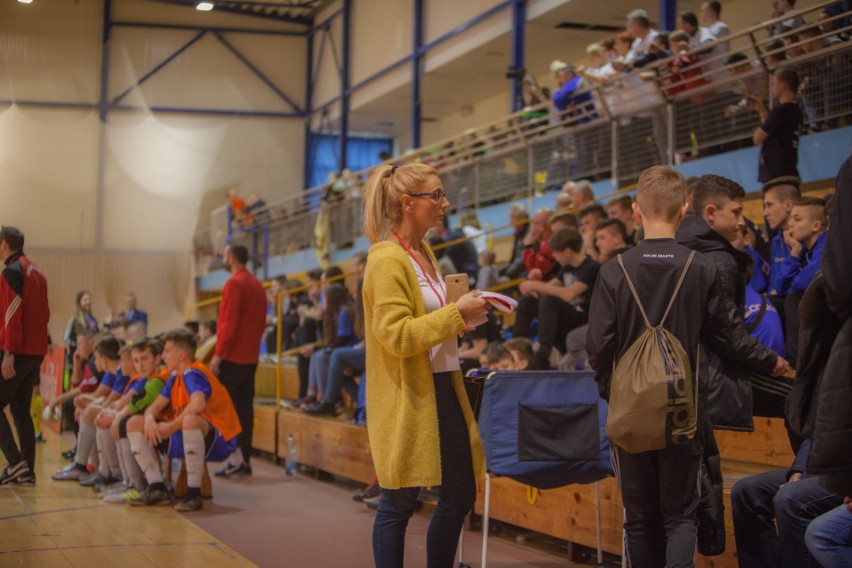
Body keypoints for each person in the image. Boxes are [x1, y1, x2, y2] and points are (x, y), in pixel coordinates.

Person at [587, 166, 790, 568]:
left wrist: (616, 390)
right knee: (681, 517)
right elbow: (729, 338)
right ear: (684, 208)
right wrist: (775, 362)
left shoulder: (613, 270)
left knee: (640, 521)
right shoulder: (702, 267)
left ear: (635, 210)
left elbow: (598, 347)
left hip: (631, 413)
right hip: (685, 409)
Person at [361, 163, 489, 567]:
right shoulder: (386, 259)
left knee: (460, 492)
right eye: (435, 195)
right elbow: (396, 335)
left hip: (441, 387)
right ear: (406, 203)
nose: (444, 203)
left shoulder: (424, 253)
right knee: (398, 503)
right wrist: (454, 317)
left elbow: (427, 322)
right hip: (408, 394)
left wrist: (461, 315)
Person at [677, 174, 793, 435]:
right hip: (713, 376)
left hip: (678, 378)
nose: (742, 221)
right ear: (710, 212)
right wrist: (770, 360)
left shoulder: (676, 249)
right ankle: (805, 474)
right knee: (802, 399)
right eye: (736, 212)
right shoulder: (719, 259)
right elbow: (726, 332)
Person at [126, 329, 241, 512]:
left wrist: (170, 427)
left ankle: (193, 494)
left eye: (166, 351)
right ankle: (157, 488)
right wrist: (149, 420)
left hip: (221, 439)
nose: (163, 356)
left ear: (180, 355)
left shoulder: (192, 372)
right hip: (191, 435)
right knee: (134, 423)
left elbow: (197, 405)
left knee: (190, 420)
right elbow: (154, 407)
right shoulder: (175, 375)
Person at [731, 439, 843, 568]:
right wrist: (798, 471)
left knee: (789, 498)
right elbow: (816, 433)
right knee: (746, 492)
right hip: (829, 468)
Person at [211, 244, 266, 478]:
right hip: (250, 357)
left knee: (227, 411)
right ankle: (244, 460)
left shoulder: (234, 283)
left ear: (232, 258)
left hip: (232, 357)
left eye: (224, 256)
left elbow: (229, 324)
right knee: (245, 411)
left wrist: (218, 355)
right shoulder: (257, 284)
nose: (223, 259)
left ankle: (235, 458)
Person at [0, 227, 49, 485]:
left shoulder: (12, 270)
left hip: (17, 351)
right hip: (34, 352)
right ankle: (27, 471)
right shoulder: (36, 271)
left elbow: (11, 312)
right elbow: (45, 314)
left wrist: (8, 351)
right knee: (20, 409)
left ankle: (15, 462)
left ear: (4, 243)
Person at [753, 68, 804, 183]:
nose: (772, 88)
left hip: (776, 173)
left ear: (782, 85)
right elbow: (770, 129)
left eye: (774, 84)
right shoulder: (796, 111)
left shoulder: (781, 111)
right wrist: (762, 111)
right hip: (789, 169)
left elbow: (757, 138)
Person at [762, 176, 802, 296]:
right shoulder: (776, 241)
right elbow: (773, 285)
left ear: (788, 205)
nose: (765, 213)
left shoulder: (808, 239)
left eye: (769, 205)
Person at [500, 204, 530, 280]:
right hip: (517, 271)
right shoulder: (520, 233)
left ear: (522, 217)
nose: (510, 221)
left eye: (512, 217)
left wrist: (508, 275)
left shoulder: (528, 233)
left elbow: (522, 260)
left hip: (524, 273)